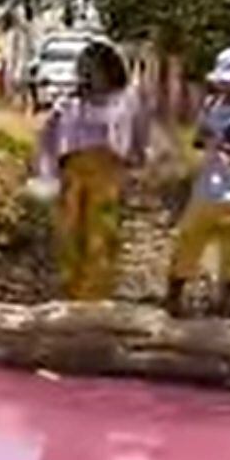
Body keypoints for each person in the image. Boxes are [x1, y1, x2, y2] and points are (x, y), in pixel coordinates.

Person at [165, 47, 230, 317]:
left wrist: (224, 146)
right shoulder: (211, 105)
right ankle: (174, 297)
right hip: (205, 188)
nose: (226, 86)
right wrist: (203, 138)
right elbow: (198, 139)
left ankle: (223, 305)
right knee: (188, 241)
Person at [37, 42, 144, 300]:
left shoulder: (125, 102)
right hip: (73, 174)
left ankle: (95, 296)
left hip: (107, 175)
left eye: (93, 70)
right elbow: (47, 140)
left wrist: (137, 164)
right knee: (69, 234)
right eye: (84, 69)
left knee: (101, 235)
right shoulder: (67, 105)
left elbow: (136, 138)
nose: (87, 75)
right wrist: (46, 172)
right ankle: (71, 291)